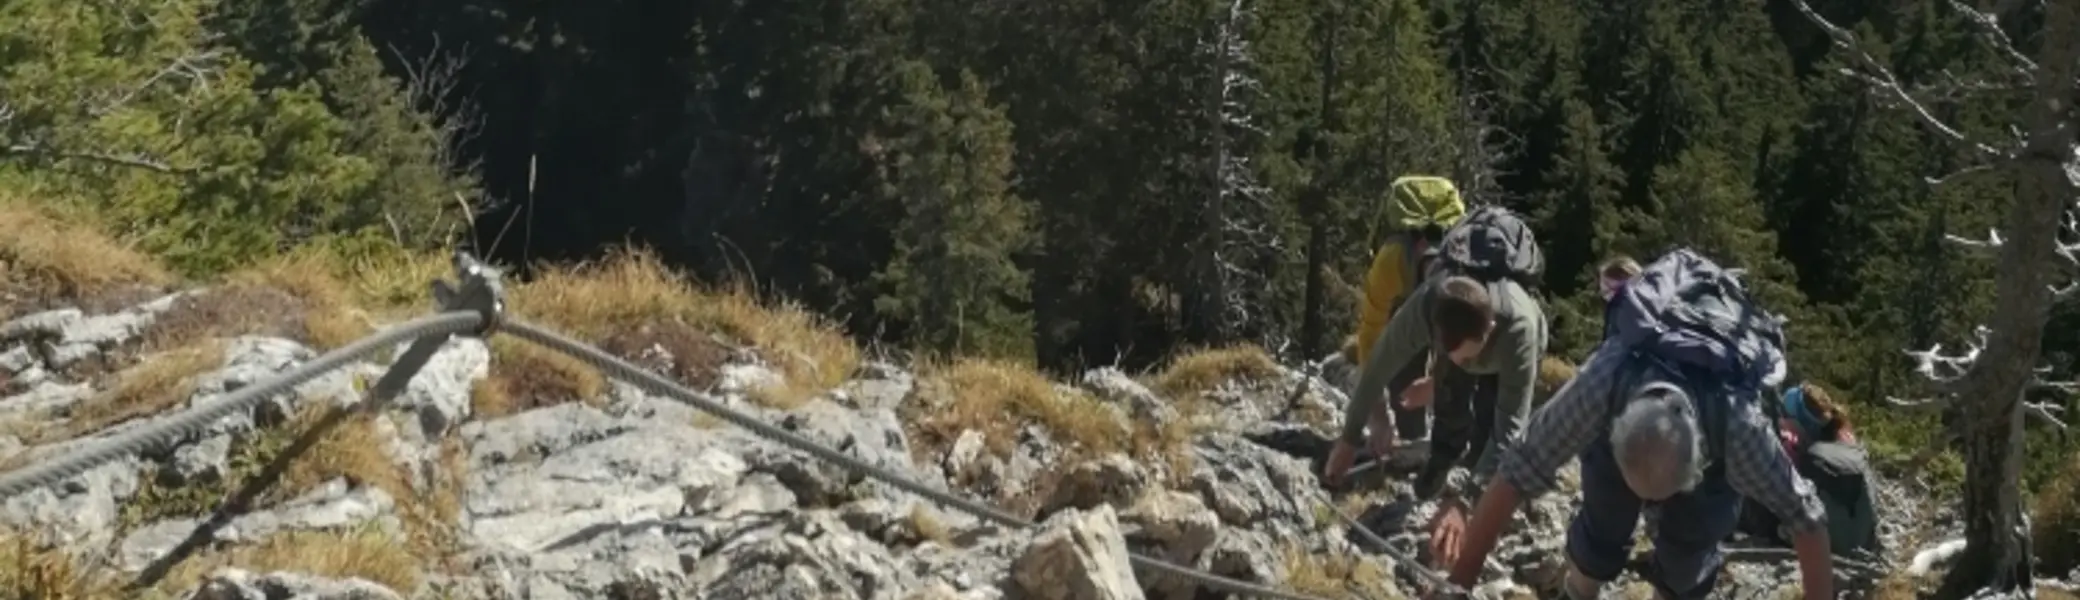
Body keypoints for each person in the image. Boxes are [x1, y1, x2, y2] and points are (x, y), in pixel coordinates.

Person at [1428, 248, 1834, 600]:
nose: (1650, 509)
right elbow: (1519, 467)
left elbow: (1806, 516)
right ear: (1614, 429)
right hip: (1631, 436)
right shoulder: (1604, 381)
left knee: (1687, 554)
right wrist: (1458, 584)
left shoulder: (1738, 424)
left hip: (1709, 459)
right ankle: (1579, 590)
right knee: (1603, 524)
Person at [1323, 205, 1549, 512]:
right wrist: (1349, 439)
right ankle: (1440, 462)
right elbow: (1378, 367)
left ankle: (1480, 490)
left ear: (1489, 330)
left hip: (1509, 356)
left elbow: (1510, 428)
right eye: (1449, 352)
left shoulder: (1519, 330)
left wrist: (1465, 504)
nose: (1459, 362)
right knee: (1450, 397)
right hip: (1465, 337)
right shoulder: (1427, 305)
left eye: (1466, 355)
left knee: (1488, 425)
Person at [1351, 175, 1467, 462]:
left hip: (1457, 314)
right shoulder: (1391, 263)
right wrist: (1377, 415)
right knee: (1405, 368)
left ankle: (1437, 446)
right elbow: (1370, 337)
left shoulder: (1469, 269)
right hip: (1403, 313)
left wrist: (1439, 380)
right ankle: (1409, 441)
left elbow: (1477, 346)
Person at [1737, 382, 1882, 556]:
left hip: (1819, 535)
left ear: (1797, 419)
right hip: (1861, 533)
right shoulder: (1845, 439)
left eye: (1785, 415)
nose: (1782, 420)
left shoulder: (1797, 448)